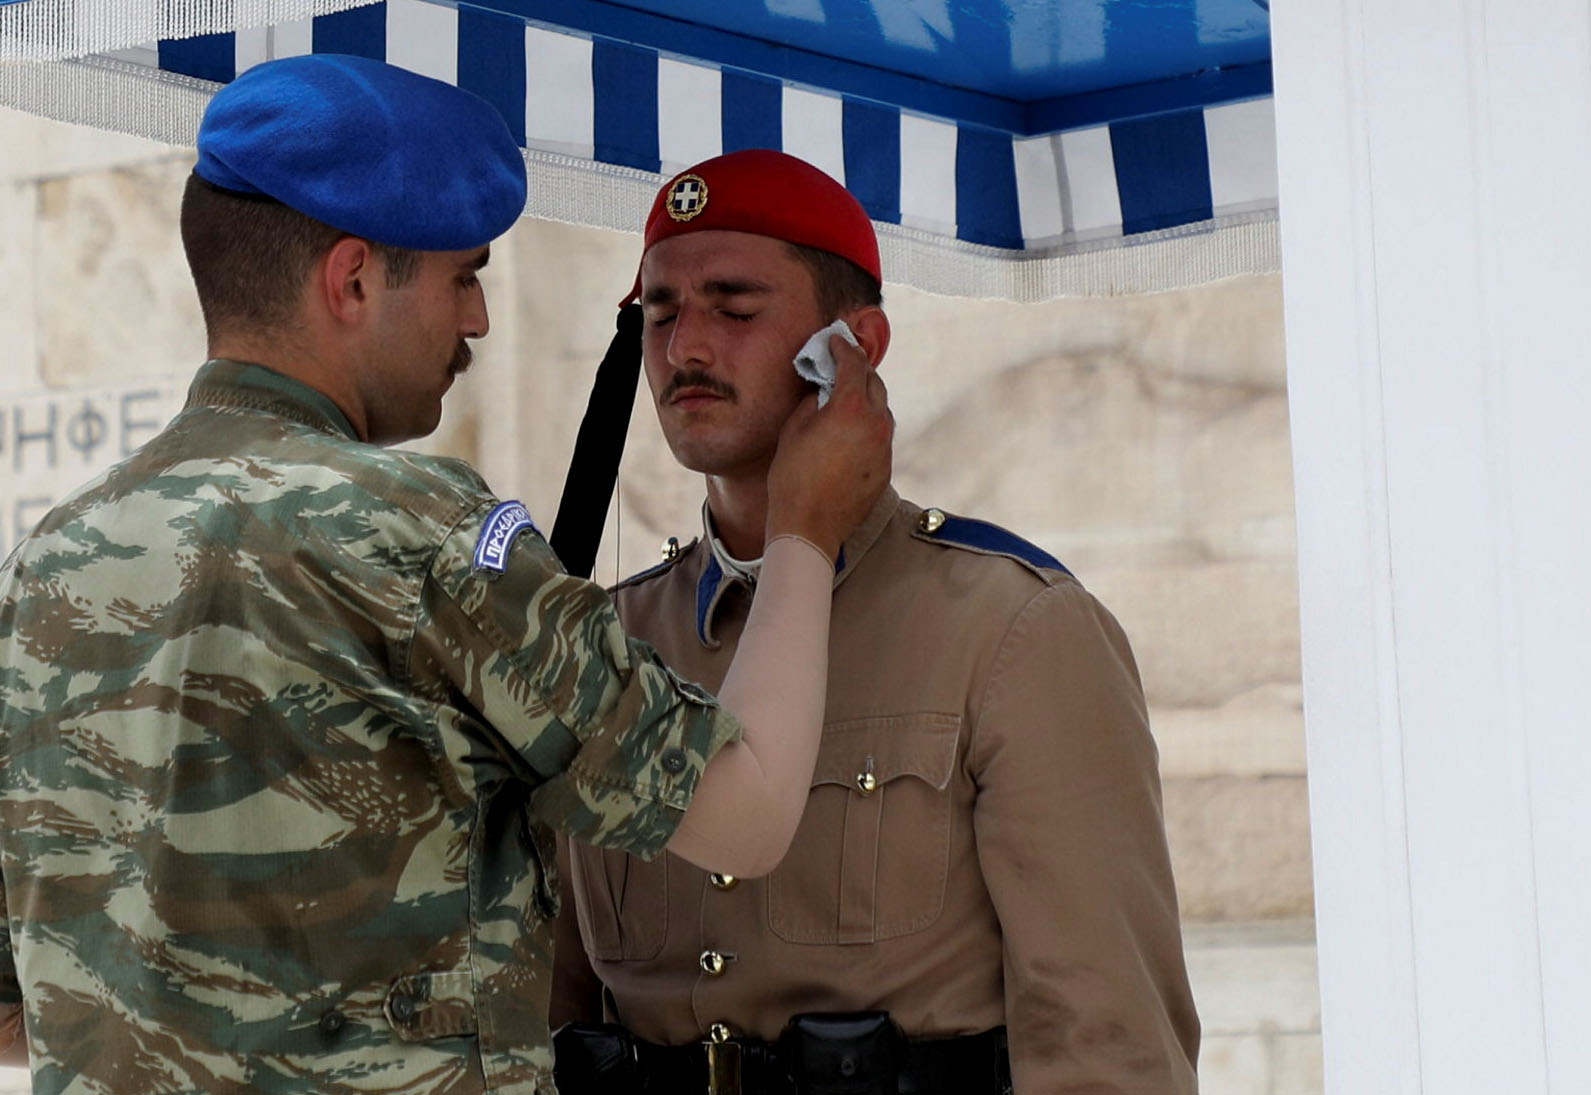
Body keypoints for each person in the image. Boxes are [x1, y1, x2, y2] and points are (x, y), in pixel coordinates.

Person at [0, 61, 891, 1095]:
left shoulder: (52, 557)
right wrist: (803, 528)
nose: (474, 320)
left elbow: (20, 1008)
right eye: (462, 276)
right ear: (352, 280)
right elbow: (748, 811)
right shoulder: (418, 528)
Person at [550, 149, 1200, 1094]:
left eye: (734, 308)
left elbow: (1108, 1046)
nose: (685, 346)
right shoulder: (607, 638)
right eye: (658, 313)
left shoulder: (1011, 629)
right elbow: (555, 1005)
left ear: (855, 344)